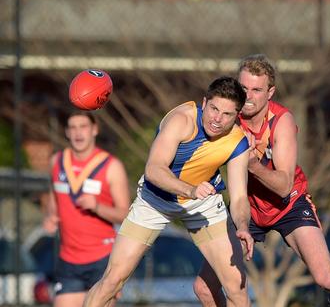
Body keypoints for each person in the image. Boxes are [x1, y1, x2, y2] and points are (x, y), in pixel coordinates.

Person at [193, 55, 330, 307]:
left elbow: (284, 185)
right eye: (243, 88)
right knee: (203, 288)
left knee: (327, 278)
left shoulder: (281, 121)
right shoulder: (228, 117)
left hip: (288, 205)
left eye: (256, 90)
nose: (248, 96)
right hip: (247, 208)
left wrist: (252, 163)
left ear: (270, 92)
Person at [83, 76, 254, 307]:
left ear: (237, 116)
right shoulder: (181, 120)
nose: (217, 119)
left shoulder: (237, 142)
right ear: (204, 103)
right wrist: (190, 190)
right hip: (155, 200)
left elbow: (240, 197)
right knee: (112, 280)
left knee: (236, 286)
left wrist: (243, 226)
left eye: (227, 114)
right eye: (214, 109)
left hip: (201, 204)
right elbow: (154, 169)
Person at [44, 111, 130, 307]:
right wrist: (50, 217)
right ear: (66, 132)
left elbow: (125, 214)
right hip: (69, 259)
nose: (78, 133)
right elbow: (53, 200)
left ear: (94, 129)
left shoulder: (111, 166)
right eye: (73, 127)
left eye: (83, 126)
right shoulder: (56, 162)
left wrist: (97, 207)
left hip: (103, 258)